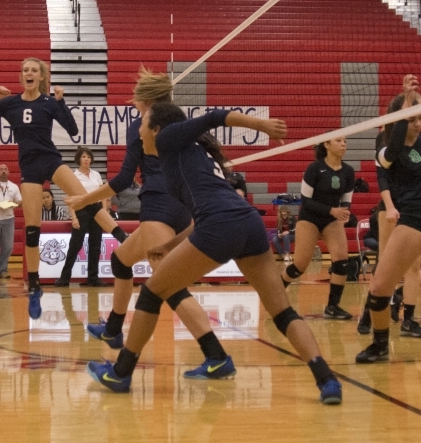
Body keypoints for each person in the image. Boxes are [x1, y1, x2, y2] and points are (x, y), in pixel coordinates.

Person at [85, 102, 342, 405]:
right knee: (282, 312)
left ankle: (121, 372)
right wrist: (170, 246)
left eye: (142, 123)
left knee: (153, 292)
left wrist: (263, 126)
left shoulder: (168, 139)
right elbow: (199, 217)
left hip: (221, 225)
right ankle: (326, 380)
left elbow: (214, 117)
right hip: (247, 223)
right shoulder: (187, 155)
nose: (138, 131)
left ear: (157, 129)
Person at [66, 68, 216, 358]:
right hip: (183, 204)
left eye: (138, 91)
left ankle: (216, 355)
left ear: (147, 99)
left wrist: (86, 199)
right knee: (121, 262)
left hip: (159, 205)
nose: (132, 95)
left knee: (169, 285)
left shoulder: (141, 125)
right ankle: (112, 328)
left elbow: (123, 179)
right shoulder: (179, 122)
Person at [0, 57, 126, 318]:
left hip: (51, 160)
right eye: (25, 70)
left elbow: (73, 130)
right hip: (29, 169)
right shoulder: (11, 103)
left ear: (42, 77)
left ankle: (121, 237)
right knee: (31, 230)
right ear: (21, 76)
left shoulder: (48, 103)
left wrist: (61, 101)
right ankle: (35, 286)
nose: (29, 74)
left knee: (86, 200)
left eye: (34, 70)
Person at [356, 75, 421, 357]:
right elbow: (393, 152)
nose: (418, 124)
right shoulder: (384, 149)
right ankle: (381, 344)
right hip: (408, 216)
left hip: (417, 215)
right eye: (411, 119)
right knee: (380, 286)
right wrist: (404, 103)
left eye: (419, 117)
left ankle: (407, 319)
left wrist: (411, 101)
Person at [280, 137, 355, 320]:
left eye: (345, 141)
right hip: (309, 219)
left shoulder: (348, 171)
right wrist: (332, 210)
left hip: (331, 220)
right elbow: (306, 201)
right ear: (326, 145)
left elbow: (346, 198)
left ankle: (332, 307)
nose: (343, 144)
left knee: (342, 261)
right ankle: (275, 291)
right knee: (299, 267)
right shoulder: (314, 168)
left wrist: (344, 212)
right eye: (338, 141)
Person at [54, 147, 107, 287]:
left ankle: (93, 278)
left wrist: (105, 212)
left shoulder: (96, 175)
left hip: (96, 211)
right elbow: (71, 198)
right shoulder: (74, 175)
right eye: (83, 156)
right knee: (75, 245)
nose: (86, 159)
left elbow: (103, 195)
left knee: (95, 245)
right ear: (78, 159)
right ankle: (64, 277)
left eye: (88, 157)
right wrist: (74, 217)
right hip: (81, 210)